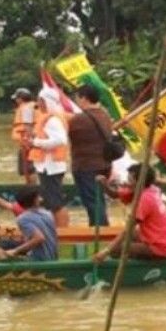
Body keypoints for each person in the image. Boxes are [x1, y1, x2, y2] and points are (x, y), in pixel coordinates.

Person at [93, 164, 166, 262]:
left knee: (115, 250)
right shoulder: (152, 189)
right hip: (160, 240)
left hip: (159, 248)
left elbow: (128, 229)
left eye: (130, 179)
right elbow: (114, 194)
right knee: (130, 236)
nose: (127, 182)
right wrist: (104, 185)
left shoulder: (145, 199)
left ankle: (135, 266)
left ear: (139, 182)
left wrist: (106, 251)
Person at [0, 185, 59, 263]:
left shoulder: (23, 217)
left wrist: (15, 251)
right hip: (52, 256)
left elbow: (39, 238)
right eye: (39, 197)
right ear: (36, 201)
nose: (42, 199)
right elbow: (0, 202)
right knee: (3, 244)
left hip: (39, 259)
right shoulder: (48, 213)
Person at [68, 85, 116, 227]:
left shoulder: (79, 119)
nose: (76, 101)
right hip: (104, 164)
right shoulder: (105, 115)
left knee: (92, 202)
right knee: (99, 200)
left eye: (77, 98)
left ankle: (98, 233)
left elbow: (67, 136)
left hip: (86, 166)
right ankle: (101, 228)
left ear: (84, 98)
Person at [28, 88, 71, 227]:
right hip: (48, 165)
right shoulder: (50, 117)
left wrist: (36, 143)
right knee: (51, 200)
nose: (38, 103)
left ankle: (63, 232)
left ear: (46, 101)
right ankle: (56, 229)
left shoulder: (52, 119)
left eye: (40, 100)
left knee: (56, 201)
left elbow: (61, 140)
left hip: (50, 166)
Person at [10, 88, 37, 185]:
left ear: (21, 99)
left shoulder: (27, 108)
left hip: (27, 143)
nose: (16, 101)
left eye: (16, 98)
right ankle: (31, 187)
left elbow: (29, 126)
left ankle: (32, 188)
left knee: (29, 169)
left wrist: (28, 142)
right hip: (27, 142)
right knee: (28, 169)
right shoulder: (32, 106)